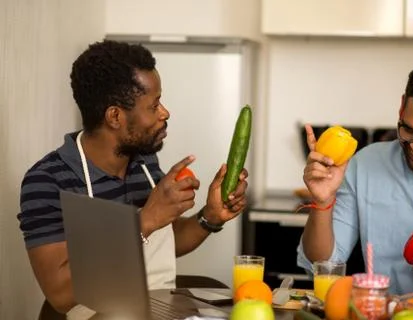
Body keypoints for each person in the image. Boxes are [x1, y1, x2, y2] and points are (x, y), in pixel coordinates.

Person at [17, 40, 248, 315]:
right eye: (154, 105)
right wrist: (146, 220)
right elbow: (61, 294)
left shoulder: (144, 163)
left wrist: (210, 217)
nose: (165, 113)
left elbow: (165, 242)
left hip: (159, 311)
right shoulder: (48, 181)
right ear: (115, 116)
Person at [297, 56, 413, 295]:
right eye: (409, 131)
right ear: (402, 106)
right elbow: (322, 265)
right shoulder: (364, 165)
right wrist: (322, 203)